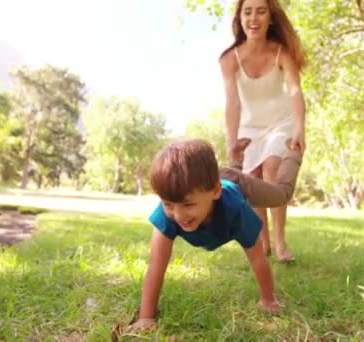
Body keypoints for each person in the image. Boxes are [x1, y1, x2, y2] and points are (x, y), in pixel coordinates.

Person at [130, 138, 302, 331]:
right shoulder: (168, 212)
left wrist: (269, 300)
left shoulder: (235, 210)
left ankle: (294, 154)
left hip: (237, 182)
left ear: (215, 192)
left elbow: (257, 257)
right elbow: (156, 265)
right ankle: (235, 156)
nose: (178, 215)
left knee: (280, 196)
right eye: (168, 204)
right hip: (208, 180)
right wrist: (146, 317)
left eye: (188, 205)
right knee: (191, 194)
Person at [219, 0, 308, 263]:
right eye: (248, 12)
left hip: (281, 123)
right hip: (250, 127)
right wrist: (231, 142)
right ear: (240, 19)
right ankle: (264, 241)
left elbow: (294, 90)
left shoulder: (282, 52)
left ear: (271, 18)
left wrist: (300, 128)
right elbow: (232, 103)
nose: (254, 18)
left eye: (261, 11)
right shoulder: (229, 59)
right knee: (254, 179)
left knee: (272, 168)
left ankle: (280, 242)